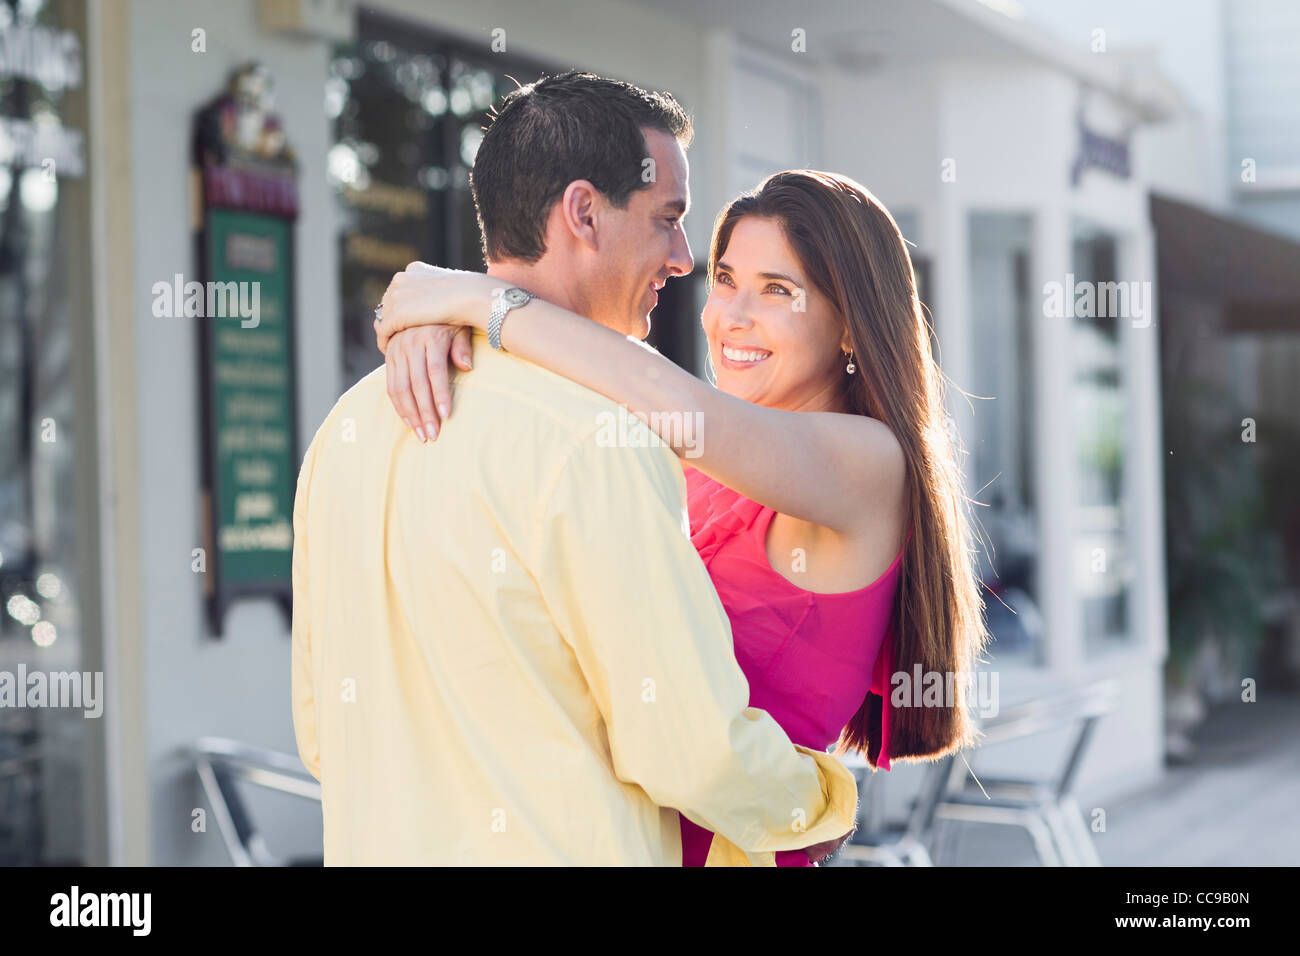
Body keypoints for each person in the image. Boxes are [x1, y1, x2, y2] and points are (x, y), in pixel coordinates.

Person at [291, 71, 858, 866]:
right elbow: (689, 748)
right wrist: (823, 804)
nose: (684, 257)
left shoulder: (346, 428)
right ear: (584, 212)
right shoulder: (599, 440)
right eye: (667, 220)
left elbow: (323, 731)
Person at [375, 168, 991, 866]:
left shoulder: (870, 463)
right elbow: (615, 382)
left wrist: (473, 297)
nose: (730, 316)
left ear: (852, 326)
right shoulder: (712, 453)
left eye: (777, 292)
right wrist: (430, 327)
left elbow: (650, 386)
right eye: (725, 279)